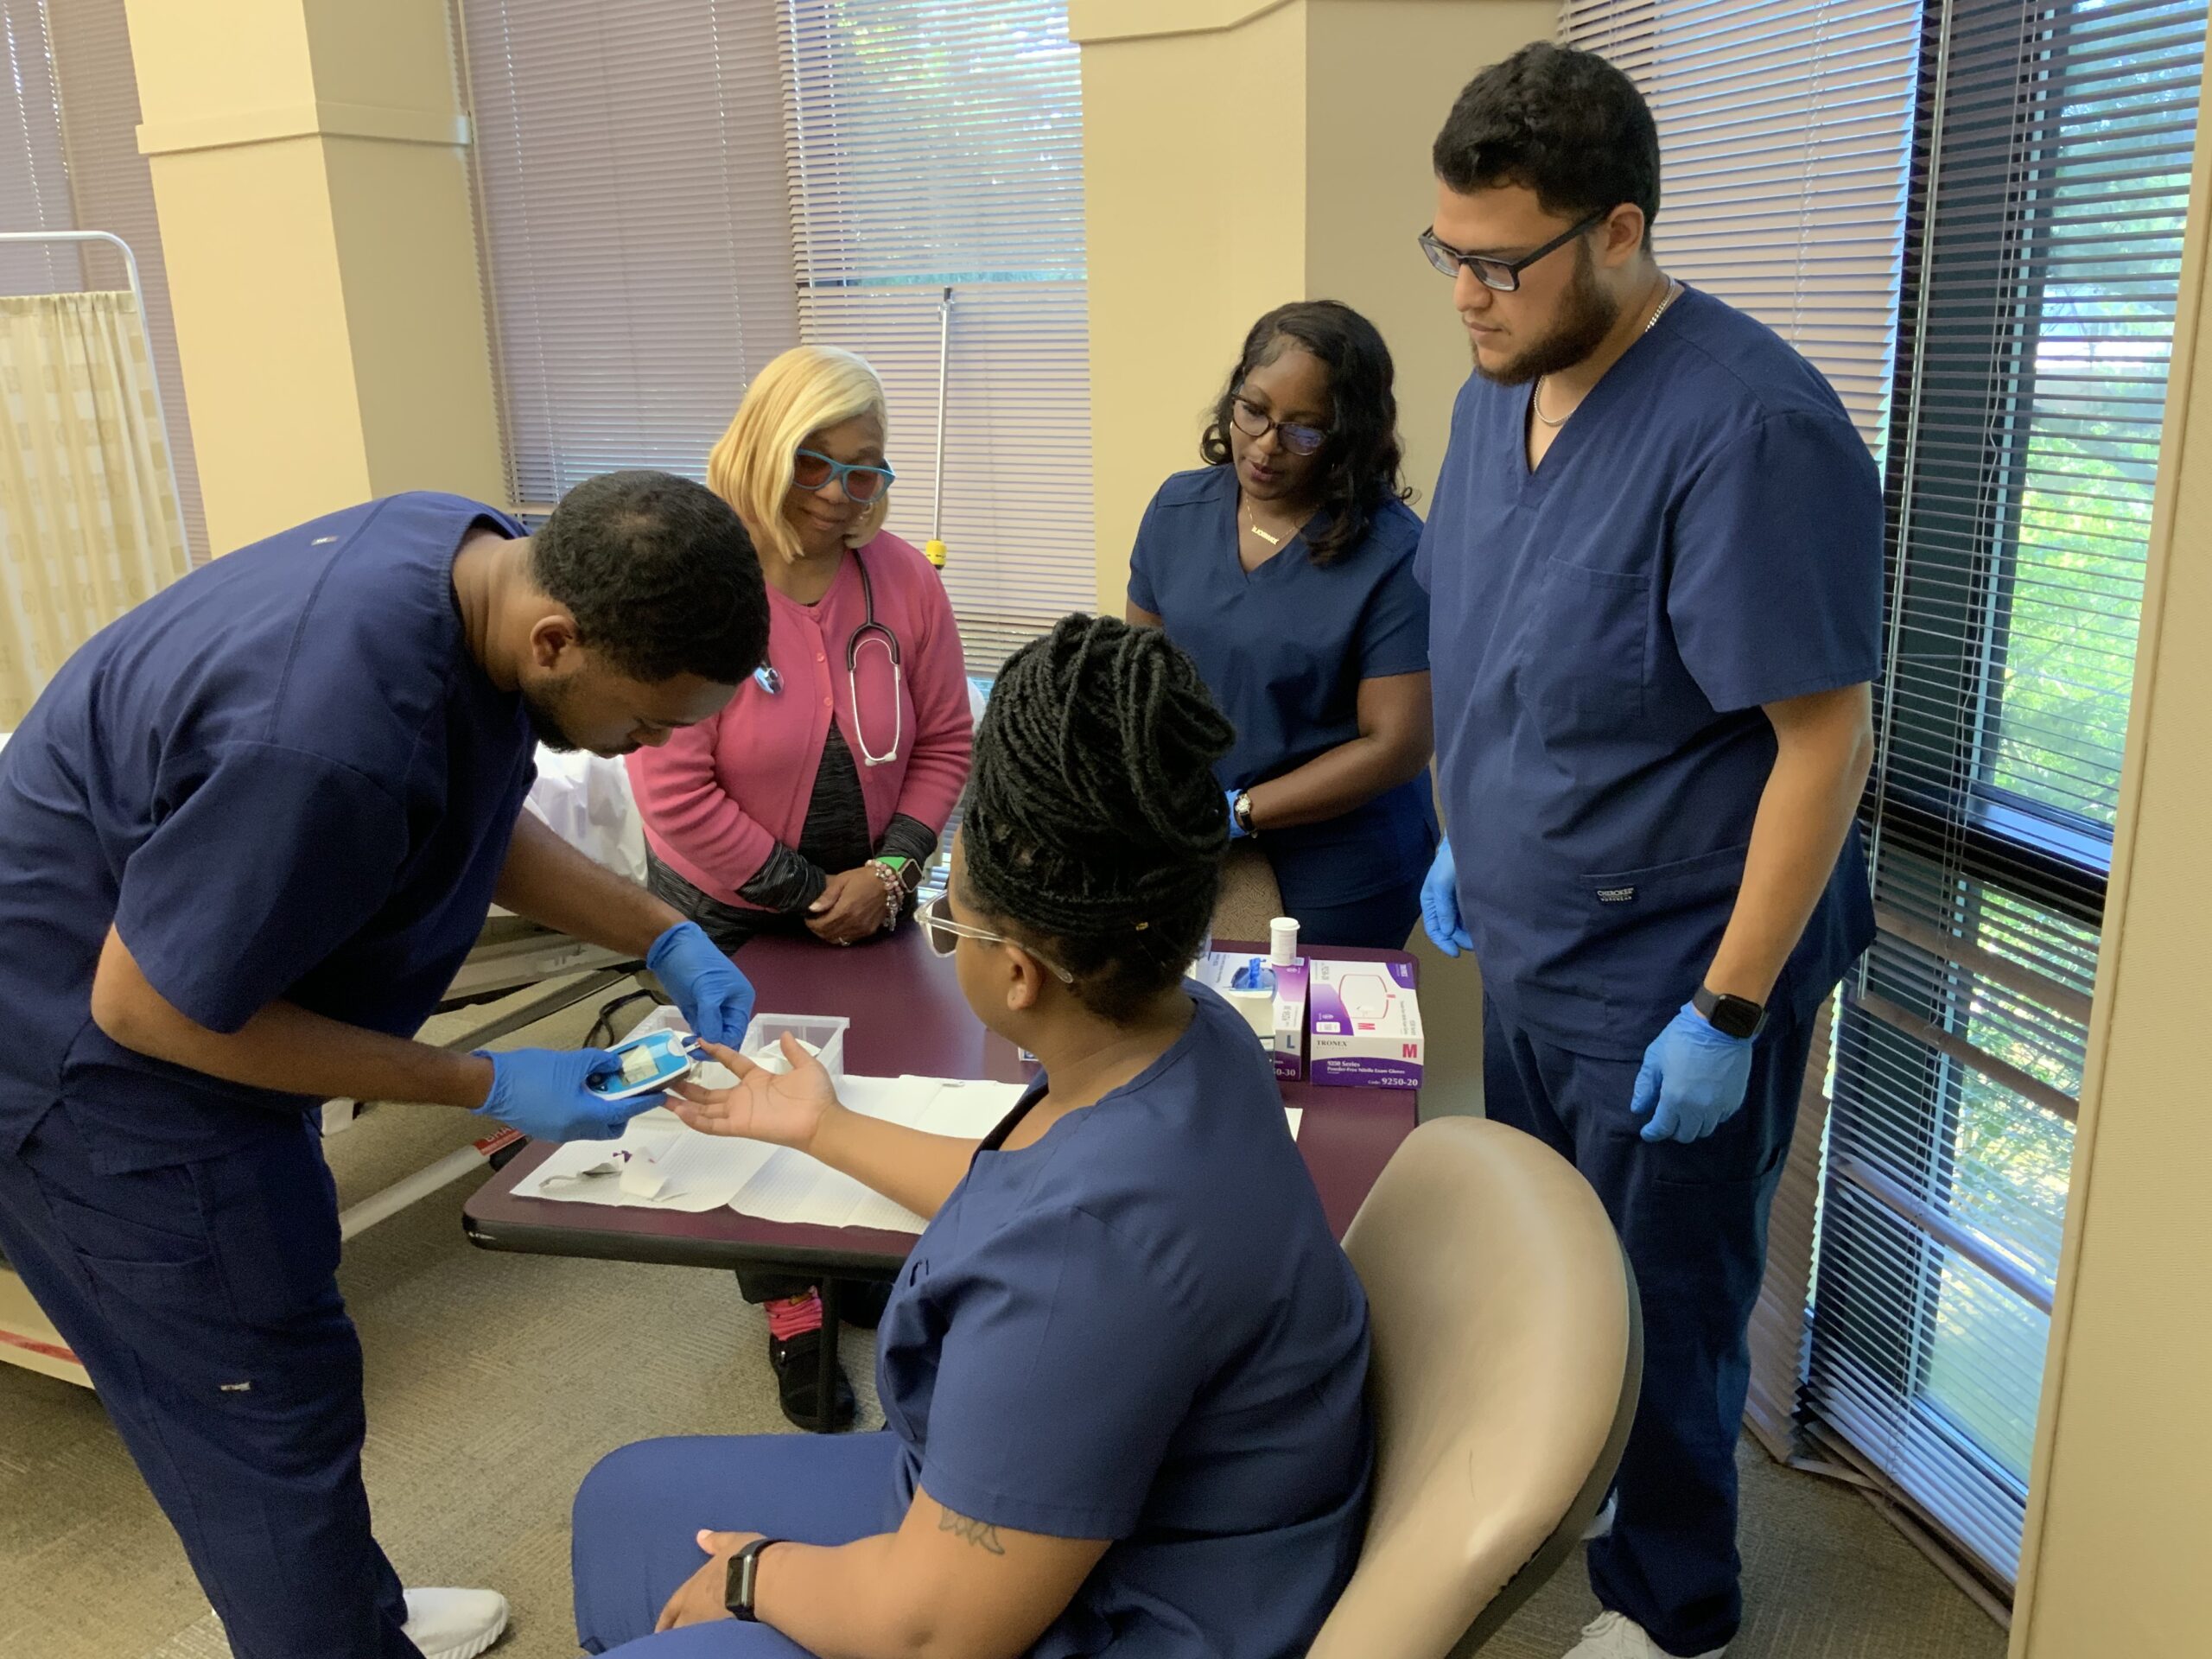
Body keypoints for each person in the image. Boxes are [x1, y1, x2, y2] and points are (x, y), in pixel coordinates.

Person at [0, 473, 770, 1659]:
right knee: (259, 1418)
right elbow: (149, 1010)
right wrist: (486, 1083)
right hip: (94, 1077)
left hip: (194, 999)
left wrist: (661, 929)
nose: (654, 749)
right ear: (557, 638)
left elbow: (468, 803)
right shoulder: (326, 737)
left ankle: (350, 1614)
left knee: (292, 1366)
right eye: (652, 721)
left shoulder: (477, 558)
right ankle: (324, 1631)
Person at [569, 614, 1372, 1658]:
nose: (942, 930)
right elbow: (1040, 1195)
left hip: (1110, 1610)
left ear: (1019, 971)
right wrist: (824, 1128)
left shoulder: (1089, 1262)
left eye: (949, 914)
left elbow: (928, 1631)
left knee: (682, 1600)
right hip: (1082, 1508)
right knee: (620, 1504)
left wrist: (757, 1573)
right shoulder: (1190, 1036)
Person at [1414, 45, 1882, 1659]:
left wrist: (1732, 1012)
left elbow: (1825, 739)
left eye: (1500, 261)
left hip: (1677, 976)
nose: (1467, 294)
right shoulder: (1506, 388)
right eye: (1448, 254)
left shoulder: (1752, 429)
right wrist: (1467, 836)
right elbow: (1505, 635)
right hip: (1537, 944)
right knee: (1547, 1275)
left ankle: (1675, 1609)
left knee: (1664, 1304)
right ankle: (1579, 1496)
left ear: (1618, 232)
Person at [627, 345, 972, 1431]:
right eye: (814, 464)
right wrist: (806, 895)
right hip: (726, 908)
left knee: (866, 1089)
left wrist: (883, 875)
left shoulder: (904, 580)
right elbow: (674, 794)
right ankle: (789, 1306)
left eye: (865, 471)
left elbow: (947, 742)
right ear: (763, 453)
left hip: (872, 894)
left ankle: (860, 1267)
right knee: (758, 1099)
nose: (839, 494)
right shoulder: (700, 585)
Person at [1127, 300, 1439, 948]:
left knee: (1301, 1040)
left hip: (1342, 857)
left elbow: (1396, 744)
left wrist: (1237, 812)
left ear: (1348, 436)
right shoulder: (1178, 509)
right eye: (1254, 411)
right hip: (1192, 830)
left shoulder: (1394, 554)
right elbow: (1140, 678)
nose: (1266, 446)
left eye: (1303, 430)